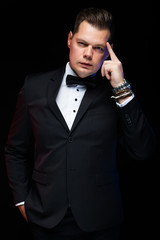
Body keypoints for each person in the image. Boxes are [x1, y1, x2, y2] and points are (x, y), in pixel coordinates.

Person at [5, 7, 155, 240]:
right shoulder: (34, 86)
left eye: (97, 48)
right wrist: (22, 201)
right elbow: (15, 149)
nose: (88, 54)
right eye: (82, 44)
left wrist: (121, 89)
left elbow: (142, 151)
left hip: (101, 222)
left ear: (109, 51)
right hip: (44, 219)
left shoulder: (117, 91)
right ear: (69, 40)